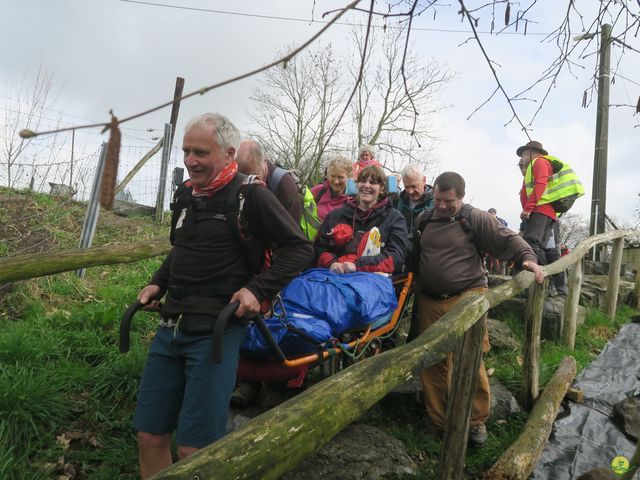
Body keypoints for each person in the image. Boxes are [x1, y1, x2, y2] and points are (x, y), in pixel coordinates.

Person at [133, 113, 313, 478]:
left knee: (194, 450)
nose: (189, 160)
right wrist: (158, 282)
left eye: (200, 152)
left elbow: (299, 248)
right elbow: (181, 248)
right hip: (171, 327)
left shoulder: (252, 194)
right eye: (186, 151)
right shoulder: (186, 194)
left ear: (229, 153)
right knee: (149, 435)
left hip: (215, 332)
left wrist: (256, 289)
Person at [413, 171, 544, 448]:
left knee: (469, 357)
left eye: (449, 200)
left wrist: (528, 259)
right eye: (438, 199)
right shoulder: (424, 219)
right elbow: (415, 254)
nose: (443, 205)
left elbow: (509, 239)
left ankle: (474, 422)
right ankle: (439, 422)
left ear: (461, 197)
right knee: (432, 360)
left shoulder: (475, 218)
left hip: (468, 295)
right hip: (429, 298)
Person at [315, 165, 409, 274]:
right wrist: (332, 263)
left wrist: (358, 265)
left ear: (382, 188)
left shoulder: (394, 218)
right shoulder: (336, 215)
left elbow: (396, 256)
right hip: (333, 275)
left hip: (372, 280)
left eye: (373, 182)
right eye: (362, 181)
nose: (366, 186)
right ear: (357, 185)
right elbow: (320, 246)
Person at [236, 139, 302, 223]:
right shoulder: (238, 180)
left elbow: (292, 228)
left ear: (265, 160)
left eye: (255, 174)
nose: (251, 180)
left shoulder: (285, 184)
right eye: (245, 176)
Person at [517, 140, 558, 267]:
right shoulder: (536, 166)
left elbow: (540, 184)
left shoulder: (539, 162)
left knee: (531, 243)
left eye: (523, 154)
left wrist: (528, 209)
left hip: (539, 211)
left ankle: (536, 276)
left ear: (530, 152)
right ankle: (543, 277)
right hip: (543, 212)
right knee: (539, 246)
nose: (522, 159)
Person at [311, 154, 353, 221]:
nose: (336, 182)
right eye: (333, 176)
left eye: (340, 177)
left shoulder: (353, 199)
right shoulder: (319, 191)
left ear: (349, 177)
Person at [396, 165, 434, 237]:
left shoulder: (435, 203)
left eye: (414, 186)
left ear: (424, 180)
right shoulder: (399, 201)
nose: (410, 191)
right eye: (406, 187)